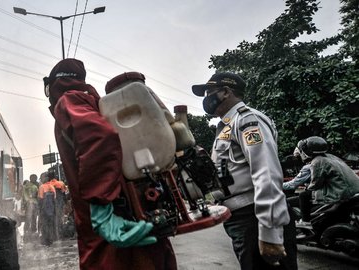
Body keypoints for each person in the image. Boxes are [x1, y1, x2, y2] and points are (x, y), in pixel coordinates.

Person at [45, 58, 177, 270]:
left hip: (111, 232)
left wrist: (101, 207)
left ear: (53, 84)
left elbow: (99, 138)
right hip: (134, 220)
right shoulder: (97, 104)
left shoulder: (69, 100)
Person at [192, 72, 297, 269]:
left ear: (226, 92)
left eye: (209, 92)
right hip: (241, 219)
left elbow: (267, 173)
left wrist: (269, 232)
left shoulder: (248, 121)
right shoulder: (226, 126)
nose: (206, 99)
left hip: (254, 217)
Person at [294, 136, 359, 225]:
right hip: (352, 189)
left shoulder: (317, 162)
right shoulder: (330, 157)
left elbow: (316, 184)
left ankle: (305, 222)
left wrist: (306, 188)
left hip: (341, 192)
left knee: (303, 195)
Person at [37, 174, 56, 246]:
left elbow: (40, 199)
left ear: (45, 179)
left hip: (44, 209)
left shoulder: (41, 187)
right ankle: (51, 240)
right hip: (51, 209)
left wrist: (40, 209)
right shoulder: (52, 186)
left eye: (41, 178)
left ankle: (46, 241)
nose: (41, 180)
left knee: (44, 225)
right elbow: (54, 199)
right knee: (50, 224)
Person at [48, 171, 67, 240]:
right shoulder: (61, 183)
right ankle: (60, 234)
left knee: (52, 219)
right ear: (55, 175)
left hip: (51, 204)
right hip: (60, 203)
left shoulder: (48, 185)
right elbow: (64, 193)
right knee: (60, 218)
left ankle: (54, 235)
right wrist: (65, 203)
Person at [22, 174, 39, 240]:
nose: (35, 179)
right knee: (32, 218)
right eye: (34, 178)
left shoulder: (26, 186)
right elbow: (37, 195)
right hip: (32, 204)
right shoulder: (35, 186)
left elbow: (24, 196)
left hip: (30, 204)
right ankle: (31, 233)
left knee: (29, 218)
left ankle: (27, 233)